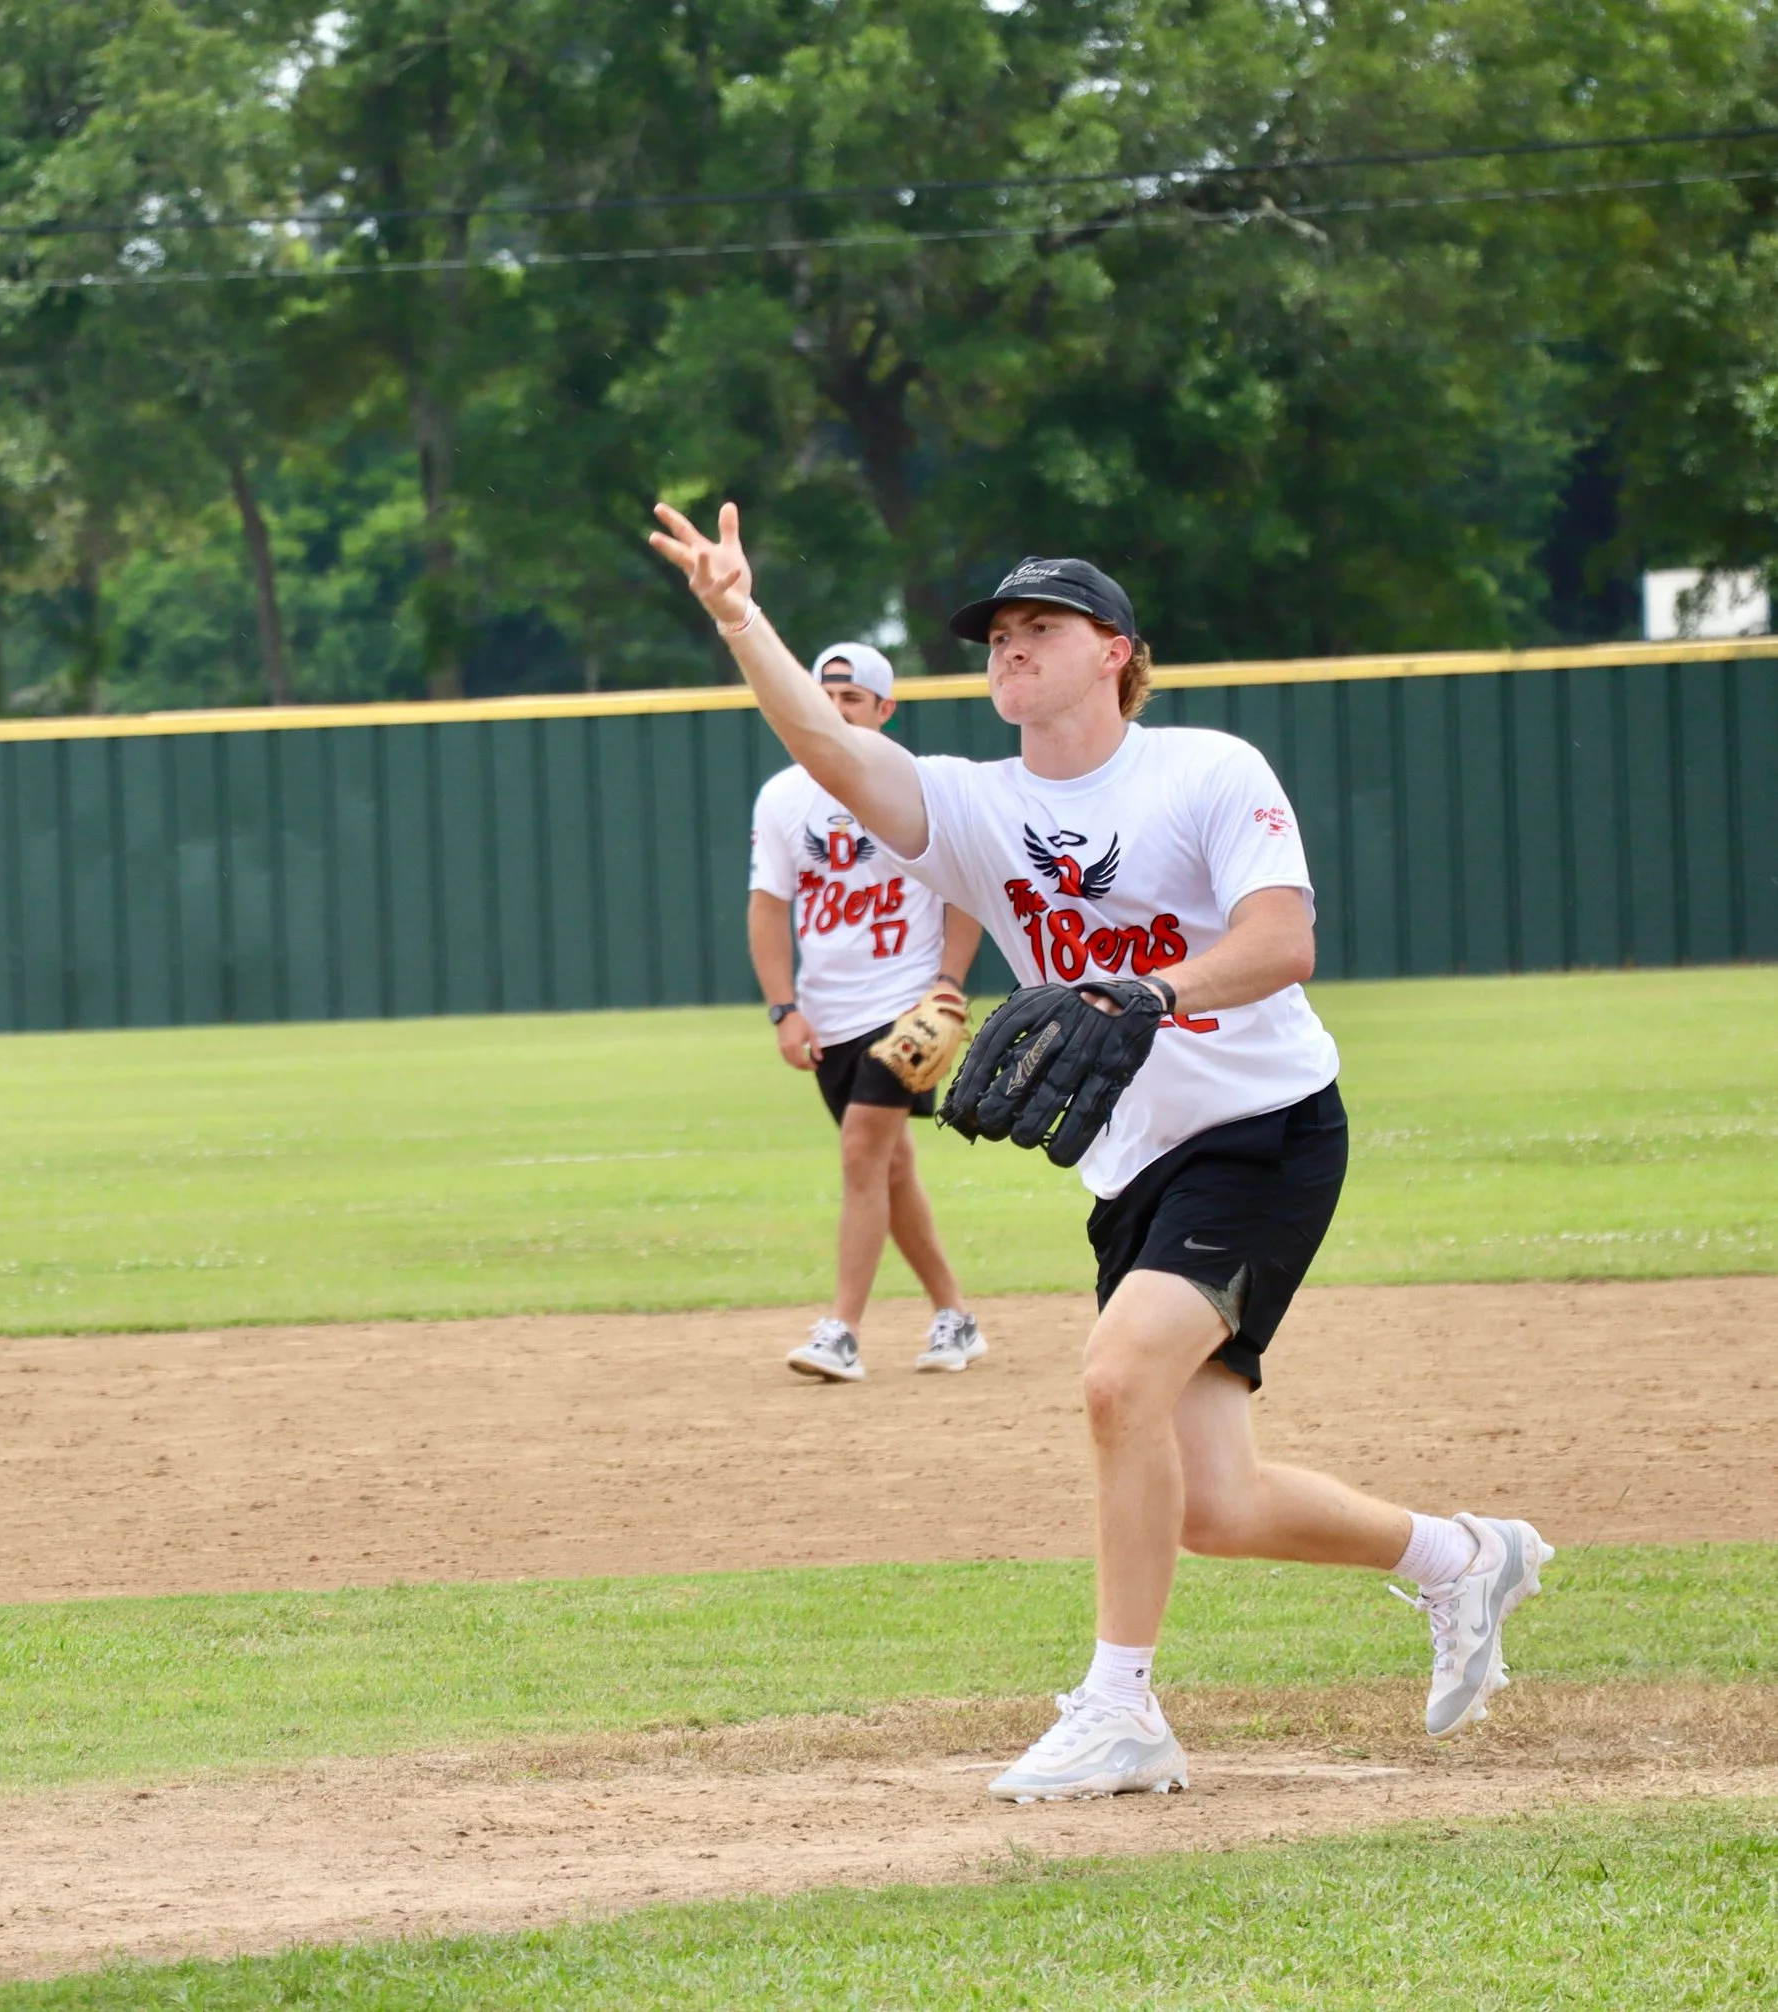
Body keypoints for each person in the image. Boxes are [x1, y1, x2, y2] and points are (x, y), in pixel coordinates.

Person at [651, 506, 1553, 1803]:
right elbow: (824, 751)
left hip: (1267, 1129)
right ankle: (1460, 1560)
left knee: (1115, 1381)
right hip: (1133, 1167)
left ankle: (1120, 1708)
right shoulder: (975, 805)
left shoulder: (1206, 770)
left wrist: (1150, 994)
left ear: (1114, 652)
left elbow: (1283, 940)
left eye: (1040, 628)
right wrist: (740, 615)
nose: (1010, 648)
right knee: (1213, 1504)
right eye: (997, 635)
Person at [749, 641, 990, 1383]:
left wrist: (948, 983)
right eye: (825, 694)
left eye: (852, 697)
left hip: (904, 1004)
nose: (835, 708)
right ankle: (955, 1316)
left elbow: (965, 891)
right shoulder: (784, 796)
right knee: (888, 1170)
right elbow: (768, 908)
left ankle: (841, 1331)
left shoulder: (913, 787)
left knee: (862, 1150)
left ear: (885, 710)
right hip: (829, 1014)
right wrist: (784, 1009)